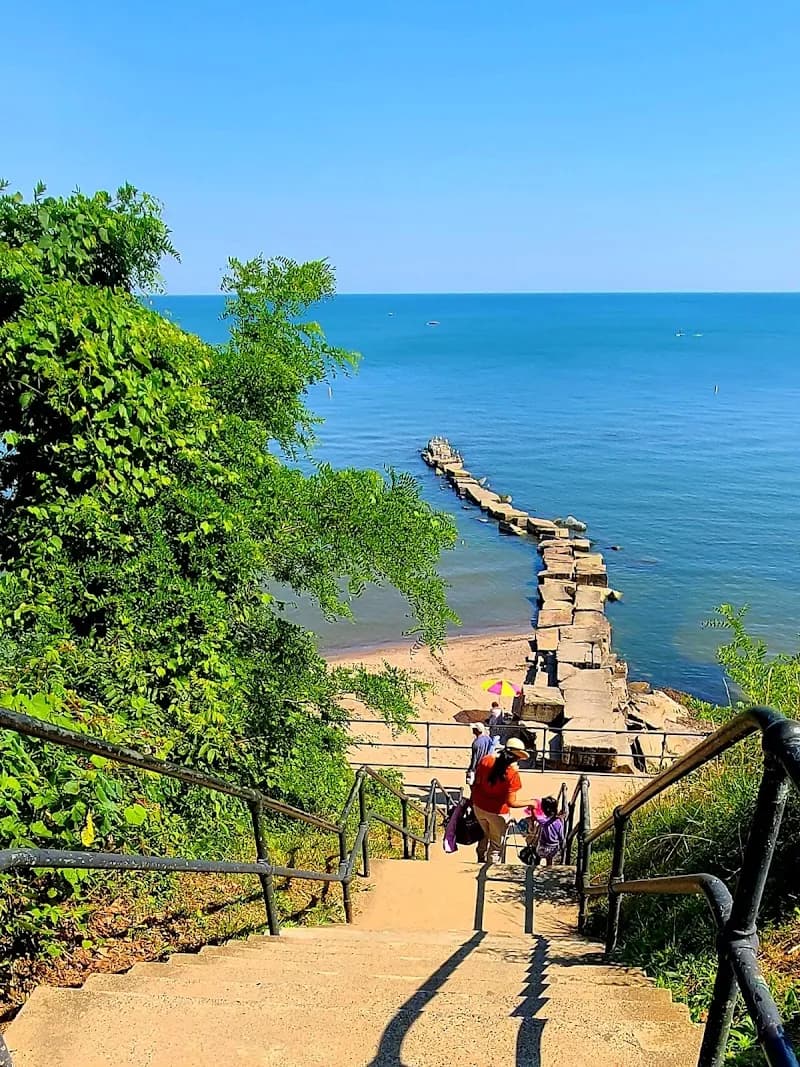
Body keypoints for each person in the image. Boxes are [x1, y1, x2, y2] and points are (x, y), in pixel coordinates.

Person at [470, 737, 531, 864]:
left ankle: (480, 858)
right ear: (516, 758)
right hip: (498, 812)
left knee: (484, 834)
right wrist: (531, 802)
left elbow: (476, 783)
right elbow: (511, 802)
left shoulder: (486, 760)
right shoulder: (512, 774)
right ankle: (490, 871)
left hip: (479, 806)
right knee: (496, 846)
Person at [530, 796, 566, 868]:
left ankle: (536, 864)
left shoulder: (543, 821)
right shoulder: (559, 822)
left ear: (543, 810)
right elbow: (561, 836)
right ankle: (549, 867)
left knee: (538, 852)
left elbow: (535, 817)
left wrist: (532, 809)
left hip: (542, 848)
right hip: (554, 849)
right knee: (549, 859)